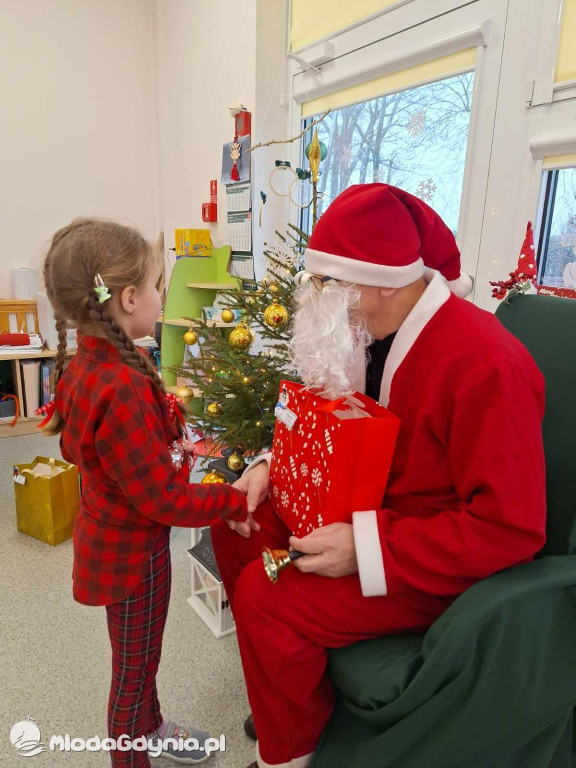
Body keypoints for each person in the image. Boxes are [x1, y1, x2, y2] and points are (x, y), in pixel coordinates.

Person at [210, 183, 547, 768]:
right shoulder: (363, 334)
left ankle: (292, 753)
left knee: (266, 596)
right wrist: (268, 466)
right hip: (365, 509)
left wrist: (367, 550)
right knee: (236, 525)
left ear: (374, 281)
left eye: (325, 285)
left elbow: (510, 529)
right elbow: (322, 422)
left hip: (427, 556)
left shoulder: (486, 365)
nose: (315, 299)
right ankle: (285, 694)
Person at [42, 218, 247, 767]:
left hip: (116, 545)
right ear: (129, 298)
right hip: (134, 561)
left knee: (141, 660)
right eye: (159, 285)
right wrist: (236, 497)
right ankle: (133, 751)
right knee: (132, 676)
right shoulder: (123, 386)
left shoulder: (90, 363)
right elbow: (165, 502)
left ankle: (152, 728)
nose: (162, 296)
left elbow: (119, 463)